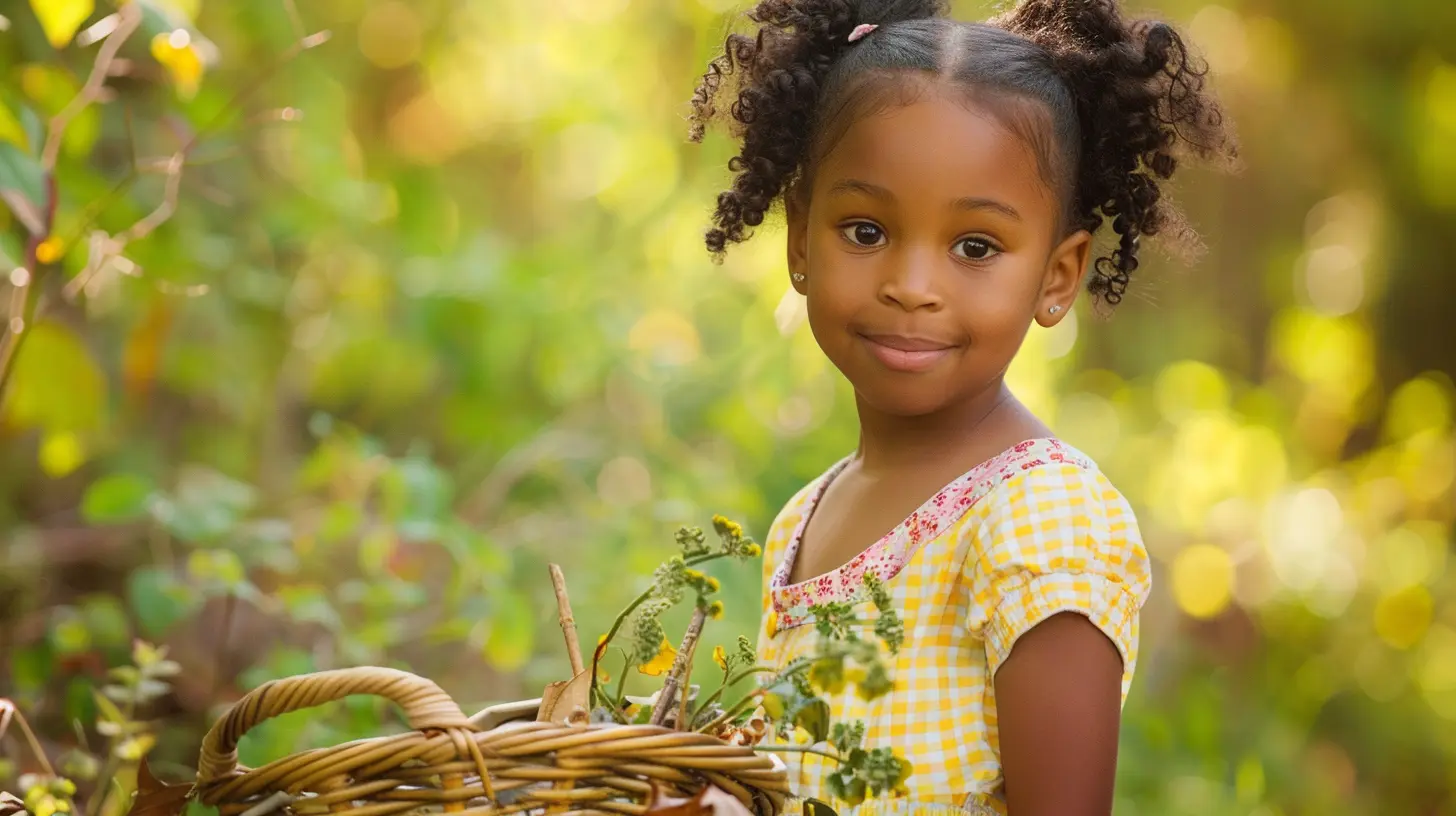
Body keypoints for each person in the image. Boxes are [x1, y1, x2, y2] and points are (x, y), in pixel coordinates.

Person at [687, 0, 1237, 814]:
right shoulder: (803, 520)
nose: (912, 285)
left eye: (975, 247)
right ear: (801, 239)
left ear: (1057, 276)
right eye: (866, 230)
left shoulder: (1039, 519)